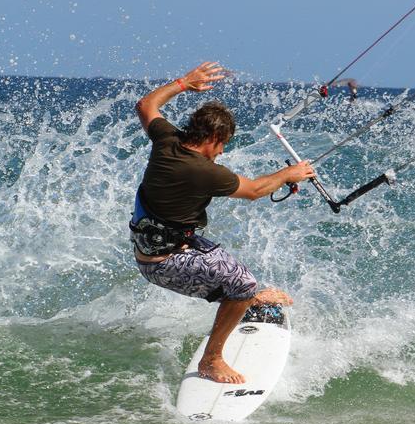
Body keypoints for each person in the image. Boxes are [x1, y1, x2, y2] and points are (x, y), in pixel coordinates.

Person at [130, 61, 316, 383]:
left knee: (239, 281)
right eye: (223, 144)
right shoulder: (203, 170)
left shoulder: (167, 140)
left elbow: (146, 105)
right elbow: (256, 190)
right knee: (242, 284)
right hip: (164, 262)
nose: (221, 152)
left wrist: (184, 82)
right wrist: (290, 173)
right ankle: (212, 360)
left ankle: (248, 298)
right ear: (215, 137)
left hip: (168, 247)